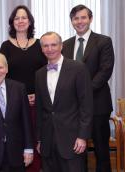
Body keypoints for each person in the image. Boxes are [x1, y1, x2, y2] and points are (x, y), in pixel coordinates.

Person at [62, 5, 115, 172]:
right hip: (74, 109)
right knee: (78, 150)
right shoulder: (65, 45)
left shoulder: (104, 41)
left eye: (83, 17)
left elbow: (105, 71)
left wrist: (83, 92)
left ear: (90, 19)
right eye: (76, 18)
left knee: (101, 150)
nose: (80, 21)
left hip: (98, 105)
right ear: (71, 22)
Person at [36, 32, 93, 172]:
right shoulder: (39, 73)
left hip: (73, 140)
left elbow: (86, 105)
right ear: (42, 49)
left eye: (53, 45)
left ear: (61, 46)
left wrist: (82, 136)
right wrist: (39, 139)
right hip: (48, 141)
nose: (50, 49)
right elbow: (40, 109)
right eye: (46, 46)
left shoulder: (78, 68)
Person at [0, 5, 46, 171]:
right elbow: (0, 75)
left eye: (24, 17)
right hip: (14, 104)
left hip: (37, 103)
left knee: (35, 139)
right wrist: (20, 96)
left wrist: (37, 95)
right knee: (17, 140)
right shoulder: (5, 46)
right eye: (17, 18)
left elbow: (47, 74)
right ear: (12, 22)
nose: (20, 21)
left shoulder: (41, 44)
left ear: (30, 21)